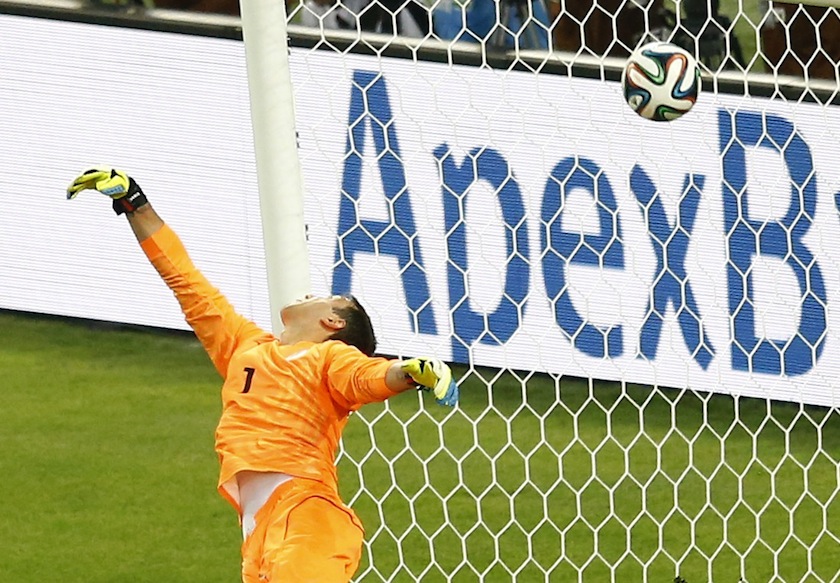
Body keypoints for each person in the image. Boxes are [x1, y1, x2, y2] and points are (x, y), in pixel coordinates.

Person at [66, 167, 460, 582]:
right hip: (262, 530)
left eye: (330, 297)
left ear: (333, 323)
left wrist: (412, 372)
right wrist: (136, 203)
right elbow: (187, 282)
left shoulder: (328, 359)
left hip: (307, 518)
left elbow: (368, 378)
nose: (311, 294)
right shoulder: (247, 347)